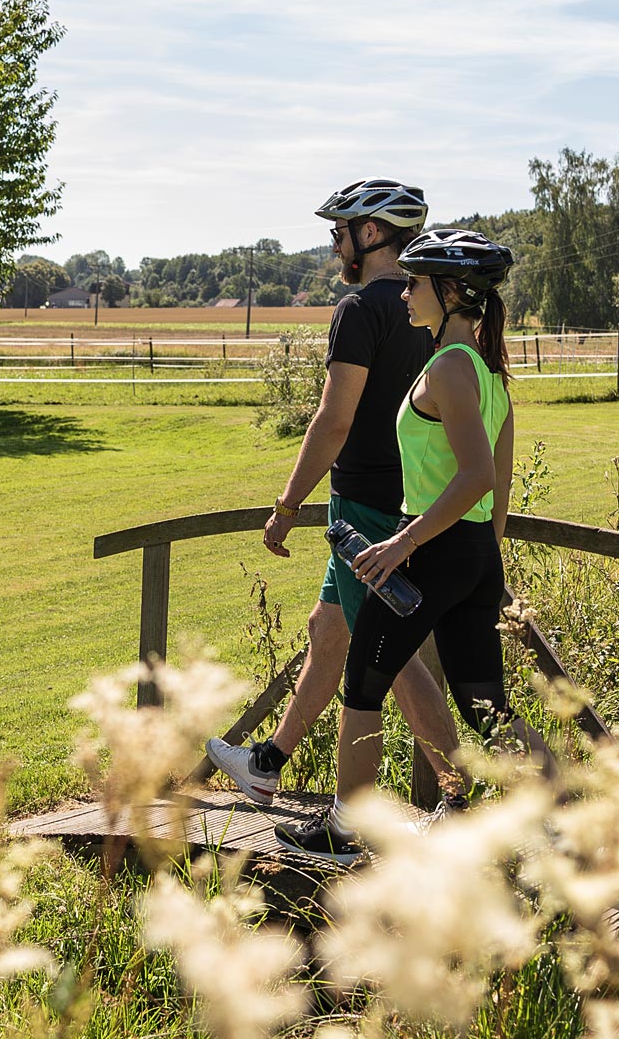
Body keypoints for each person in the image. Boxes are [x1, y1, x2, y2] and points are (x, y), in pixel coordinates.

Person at [205, 179, 469, 860]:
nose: (333, 242)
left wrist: (287, 505)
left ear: (372, 234)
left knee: (395, 659)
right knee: (331, 631)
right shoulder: (425, 310)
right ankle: (267, 764)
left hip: (363, 509)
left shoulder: (359, 309)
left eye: (341, 230)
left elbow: (334, 418)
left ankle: (459, 798)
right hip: (408, 499)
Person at [278, 227, 552, 860]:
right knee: (486, 704)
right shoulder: (487, 373)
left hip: (435, 551)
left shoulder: (451, 367)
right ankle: (554, 821)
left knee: (364, 680)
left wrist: (403, 545)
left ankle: (350, 827)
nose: (404, 292)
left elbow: (477, 475)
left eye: (415, 282)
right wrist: (484, 562)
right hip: (471, 552)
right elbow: (497, 491)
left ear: (450, 293)